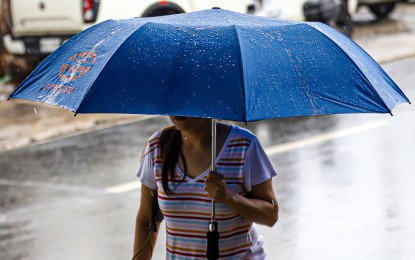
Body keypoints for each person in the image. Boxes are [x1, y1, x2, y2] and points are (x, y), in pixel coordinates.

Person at [134, 116, 278, 259]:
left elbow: (270, 215)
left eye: (188, 98)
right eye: (175, 99)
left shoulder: (244, 145)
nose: (178, 109)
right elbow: (147, 218)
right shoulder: (158, 146)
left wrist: (230, 197)